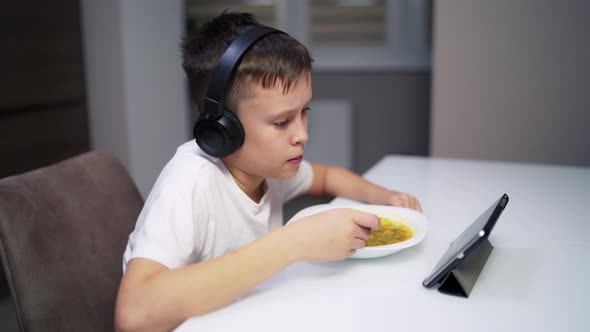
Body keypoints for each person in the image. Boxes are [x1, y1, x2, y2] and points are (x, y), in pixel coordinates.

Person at [114, 11, 422, 332]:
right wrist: (293, 242)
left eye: (304, 112)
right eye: (281, 122)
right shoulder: (188, 183)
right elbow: (133, 315)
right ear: (222, 129)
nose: (302, 134)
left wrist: (382, 196)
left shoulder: (267, 169)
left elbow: (327, 177)